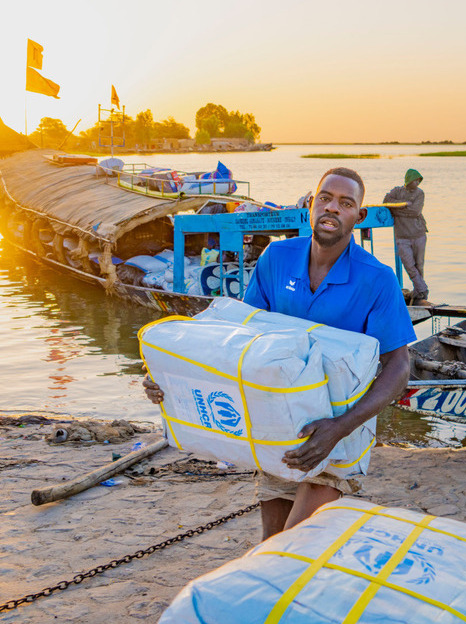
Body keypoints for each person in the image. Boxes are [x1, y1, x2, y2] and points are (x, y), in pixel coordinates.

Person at [143, 167, 415, 540]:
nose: (332, 208)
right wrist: (168, 377)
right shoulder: (277, 257)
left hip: (341, 433)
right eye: (325, 198)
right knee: (273, 545)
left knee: (293, 545)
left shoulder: (378, 278)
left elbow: (399, 367)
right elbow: (241, 338)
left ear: (359, 216)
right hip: (277, 425)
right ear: (310, 204)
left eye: (346, 203)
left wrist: (338, 429)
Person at [383, 168, 430, 304]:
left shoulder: (420, 193)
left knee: (419, 265)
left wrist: (397, 209)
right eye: (415, 180)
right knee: (409, 265)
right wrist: (404, 205)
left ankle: (418, 292)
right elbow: (386, 201)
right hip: (402, 236)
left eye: (418, 180)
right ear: (409, 180)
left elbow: (416, 211)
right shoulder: (397, 191)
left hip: (419, 234)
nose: (417, 183)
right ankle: (422, 289)